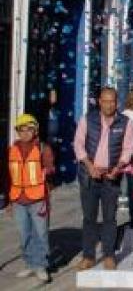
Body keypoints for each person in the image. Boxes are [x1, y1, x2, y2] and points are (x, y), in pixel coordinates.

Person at [74, 87, 133, 271]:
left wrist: (118, 168)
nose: (109, 105)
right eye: (105, 101)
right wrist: (90, 166)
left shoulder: (126, 122)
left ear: (117, 102)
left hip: (111, 177)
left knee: (110, 218)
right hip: (89, 176)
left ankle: (109, 255)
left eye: (113, 101)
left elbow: (128, 149)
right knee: (89, 218)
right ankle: (88, 256)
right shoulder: (87, 119)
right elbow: (78, 144)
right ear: (99, 101)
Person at [8, 114, 54, 283]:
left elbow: (50, 170)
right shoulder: (11, 149)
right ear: (17, 132)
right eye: (22, 130)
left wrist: (48, 172)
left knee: (40, 233)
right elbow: (7, 177)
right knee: (24, 234)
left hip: (38, 199)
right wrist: (8, 201)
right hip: (18, 199)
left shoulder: (43, 148)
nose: (25, 133)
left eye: (29, 129)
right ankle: (29, 263)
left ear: (35, 130)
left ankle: (41, 265)